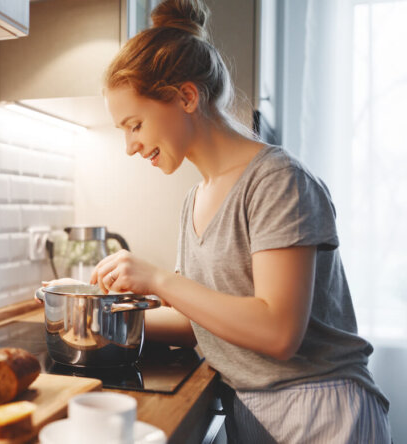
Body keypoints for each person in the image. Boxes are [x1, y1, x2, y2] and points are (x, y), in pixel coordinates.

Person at [81, 0, 392, 442]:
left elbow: (278, 330)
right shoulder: (195, 200)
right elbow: (205, 323)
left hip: (320, 412)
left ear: (186, 96)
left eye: (135, 124)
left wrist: (157, 280)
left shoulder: (277, 181)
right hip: (255, 410)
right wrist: (98, 324)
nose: (130, 146)